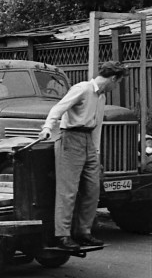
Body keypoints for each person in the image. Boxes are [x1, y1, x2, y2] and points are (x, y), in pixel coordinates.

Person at [39, 61, 128, 250]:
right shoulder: (82, 89)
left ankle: (83, 232)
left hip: (88, 141)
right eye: (118, 82)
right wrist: (48, 128)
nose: (116, 86)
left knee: (93, 189)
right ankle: (62, 235)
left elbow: (97, 126)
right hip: (71, 139)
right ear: (113, 78)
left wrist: (95, 152)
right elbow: (58, 108)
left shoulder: (101, 97)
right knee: (68, 191)